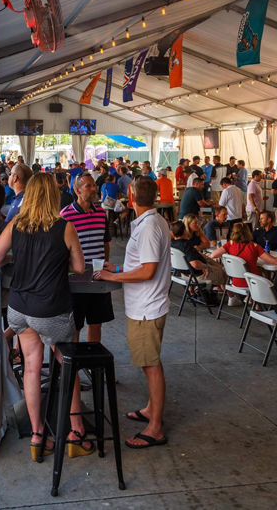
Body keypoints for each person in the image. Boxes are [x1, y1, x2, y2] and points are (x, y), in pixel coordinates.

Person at [0, 173, 92, 460]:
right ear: (54, 197)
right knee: (66, 366)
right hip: (52, 308)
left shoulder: (16, 224)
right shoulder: (65, 227)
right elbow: (80, 267)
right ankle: (76, 431)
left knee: (32, 368)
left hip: (20, 309)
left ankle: (37, 436)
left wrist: (16, 257)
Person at [94, 177, 170, 449]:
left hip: (146, 307)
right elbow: (139, 262)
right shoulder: (152, 220)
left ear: (131, 195)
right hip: (146, 305)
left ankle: (155, 428)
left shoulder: (149, 225)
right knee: (151, 362)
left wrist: (113, 278)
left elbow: (148, 270)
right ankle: (152, 410)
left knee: (151, 366)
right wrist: (115, 268)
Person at [60, 174, 115, 345]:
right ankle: (74, 370)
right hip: (75, 278)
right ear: (77, 190)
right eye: (88, 186)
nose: (94, 189)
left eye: (94, 185)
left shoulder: (100, 213)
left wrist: (105, 263)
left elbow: (106, 242)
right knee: (74, 326)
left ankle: (93, 362)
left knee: (96, 322)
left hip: (98, 275)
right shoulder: (65, 215)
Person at [210, 223, 277, 305]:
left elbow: (213, 255)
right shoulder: (254, 246)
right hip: (253, 283)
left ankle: (251, 300)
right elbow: (275, 262)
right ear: (248, 233)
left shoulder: (230, 244)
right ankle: (256, 304)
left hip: (235, 282)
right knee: (267, 278)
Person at [171, 221, 225, 286]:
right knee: (223, 272)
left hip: (184, 274)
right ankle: (229, 295)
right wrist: (205, 267)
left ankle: (209, 290)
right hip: (198, 276)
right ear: (184, 231)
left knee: (215, 264)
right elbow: (195, 264)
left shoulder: (172, 244)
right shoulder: (186, 245)